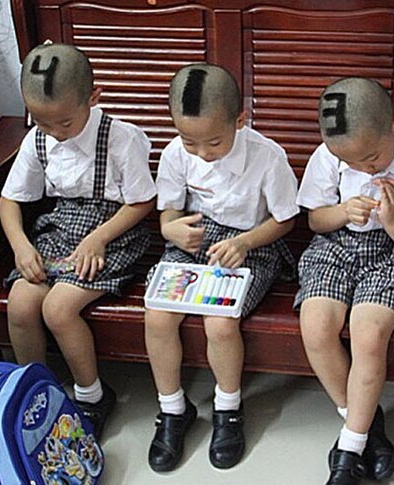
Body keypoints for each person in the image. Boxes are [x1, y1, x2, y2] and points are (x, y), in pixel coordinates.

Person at [295, 77, 394, 485]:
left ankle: (348, 451)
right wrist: (344, 212)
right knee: (315, 328)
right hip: (335, 249)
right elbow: (315, 219)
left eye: (371, 157)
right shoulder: (336, 153)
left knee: (368, 335)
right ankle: (364, 423)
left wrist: (393, 222)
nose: (362, 168)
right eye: (349, 161)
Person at [144, 63, 299, 472]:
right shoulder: (178, 152)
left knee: (219, 321)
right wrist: (172, 230)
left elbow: (285, 219)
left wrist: (244, 242)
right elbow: (169, 214)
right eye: (189, 140)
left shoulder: (267, 157)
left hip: (252, 244)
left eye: (213, 142)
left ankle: (228, 409)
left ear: (240, 119)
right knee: (158, 315)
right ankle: (173, 409)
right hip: (193, 239)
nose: (201, 153)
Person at [0, 43, 156, 439]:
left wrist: (98, 238)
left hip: (114, 230)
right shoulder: (38, 140)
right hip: (61, 226)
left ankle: (91, 395)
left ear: (93, 97)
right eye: (42, 122)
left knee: (58, 308)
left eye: (65, 124)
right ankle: (36, 392)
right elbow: (9, 200)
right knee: (20, 302)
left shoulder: (120, 139)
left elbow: (142, 201)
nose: (54, 133)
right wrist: (21, 245)